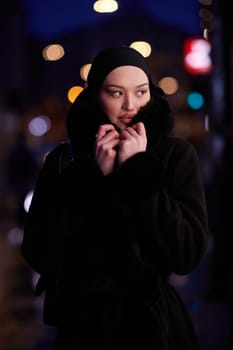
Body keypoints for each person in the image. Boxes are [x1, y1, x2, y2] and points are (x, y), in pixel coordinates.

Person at [21, 46, 209, 350]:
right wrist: (94, 181)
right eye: (116, 93)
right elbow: (40, 253)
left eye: (141, 91)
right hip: (83, 331)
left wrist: (138, 172)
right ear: (96, 94)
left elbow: (186, 252)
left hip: (156, 329)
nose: (130, 105)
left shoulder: (174, 155)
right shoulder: (64, 161)